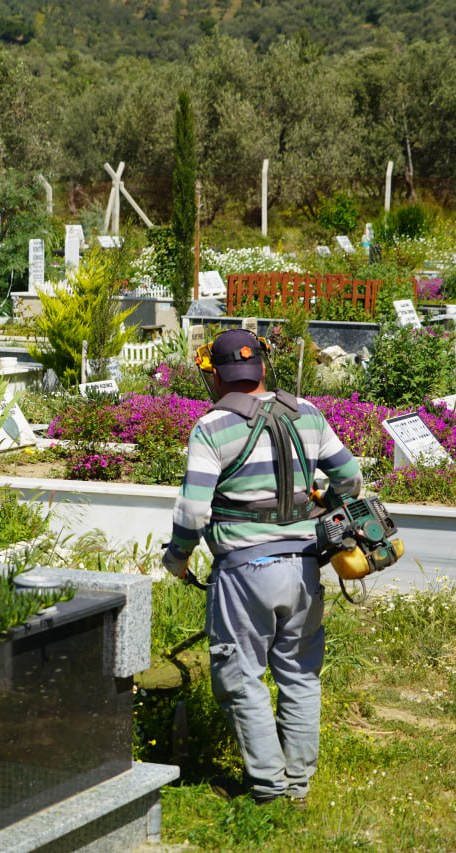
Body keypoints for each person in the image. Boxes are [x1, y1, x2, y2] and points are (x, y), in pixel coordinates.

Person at [161, 327, 362, 805]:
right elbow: (351, 479)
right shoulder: (307, 413)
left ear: (216, 375)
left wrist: (178, 557)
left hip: (245, 573)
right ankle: (298, 788)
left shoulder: (212, 427)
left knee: (240, 677)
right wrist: (322, 501)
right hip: (305, 570)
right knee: (300, 675)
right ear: (262, 367)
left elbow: (193, 512)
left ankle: (268, 788)